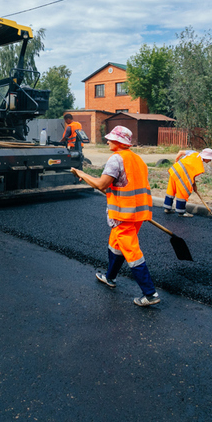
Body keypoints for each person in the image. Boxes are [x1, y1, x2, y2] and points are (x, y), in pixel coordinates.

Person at [71, 125, 159, 307]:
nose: (107, 141)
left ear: (120, 142)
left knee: (132, 253)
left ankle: (150, 294)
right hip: (138, 214)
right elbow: (124, 183)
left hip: (122, 215)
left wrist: (80, 173)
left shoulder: (116, 159)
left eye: (110, 138)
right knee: (115, 245)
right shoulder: (138, 159)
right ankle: (109, 277)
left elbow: (102, 185)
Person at [163, 148, 212, 216]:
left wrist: (176, 161)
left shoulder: (193, 152)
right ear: (206, 157)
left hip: (174, 170)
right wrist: (194, 186)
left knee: (171, 190)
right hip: (181, 175)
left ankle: (167, 208)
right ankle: (181, 212)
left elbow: (180, 152)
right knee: (183, 191)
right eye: (210, 159)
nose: (210, 160)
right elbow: (192, 177)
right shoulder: (199, 165)